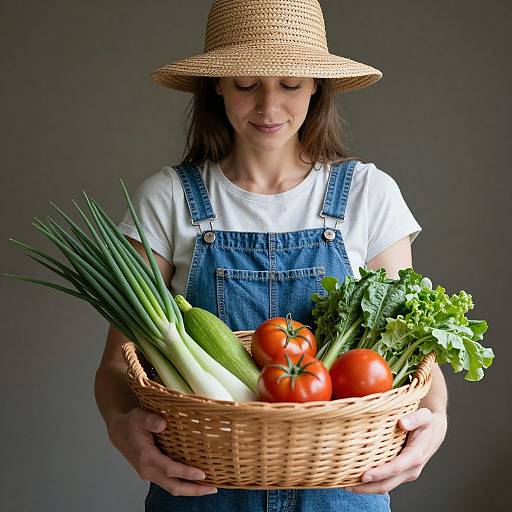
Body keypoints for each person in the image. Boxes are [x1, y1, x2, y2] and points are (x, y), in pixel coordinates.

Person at [94, 1, 448, 510]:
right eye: (246, 84)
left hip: (340, 492)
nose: (268, 107)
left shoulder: (369, 194)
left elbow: (412, 351)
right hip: (206, 491)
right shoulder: (167, 199)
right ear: (216, 84)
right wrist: (122, 428)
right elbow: (115, 366)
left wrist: (432, 426)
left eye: (289, 84)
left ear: (315, 86)